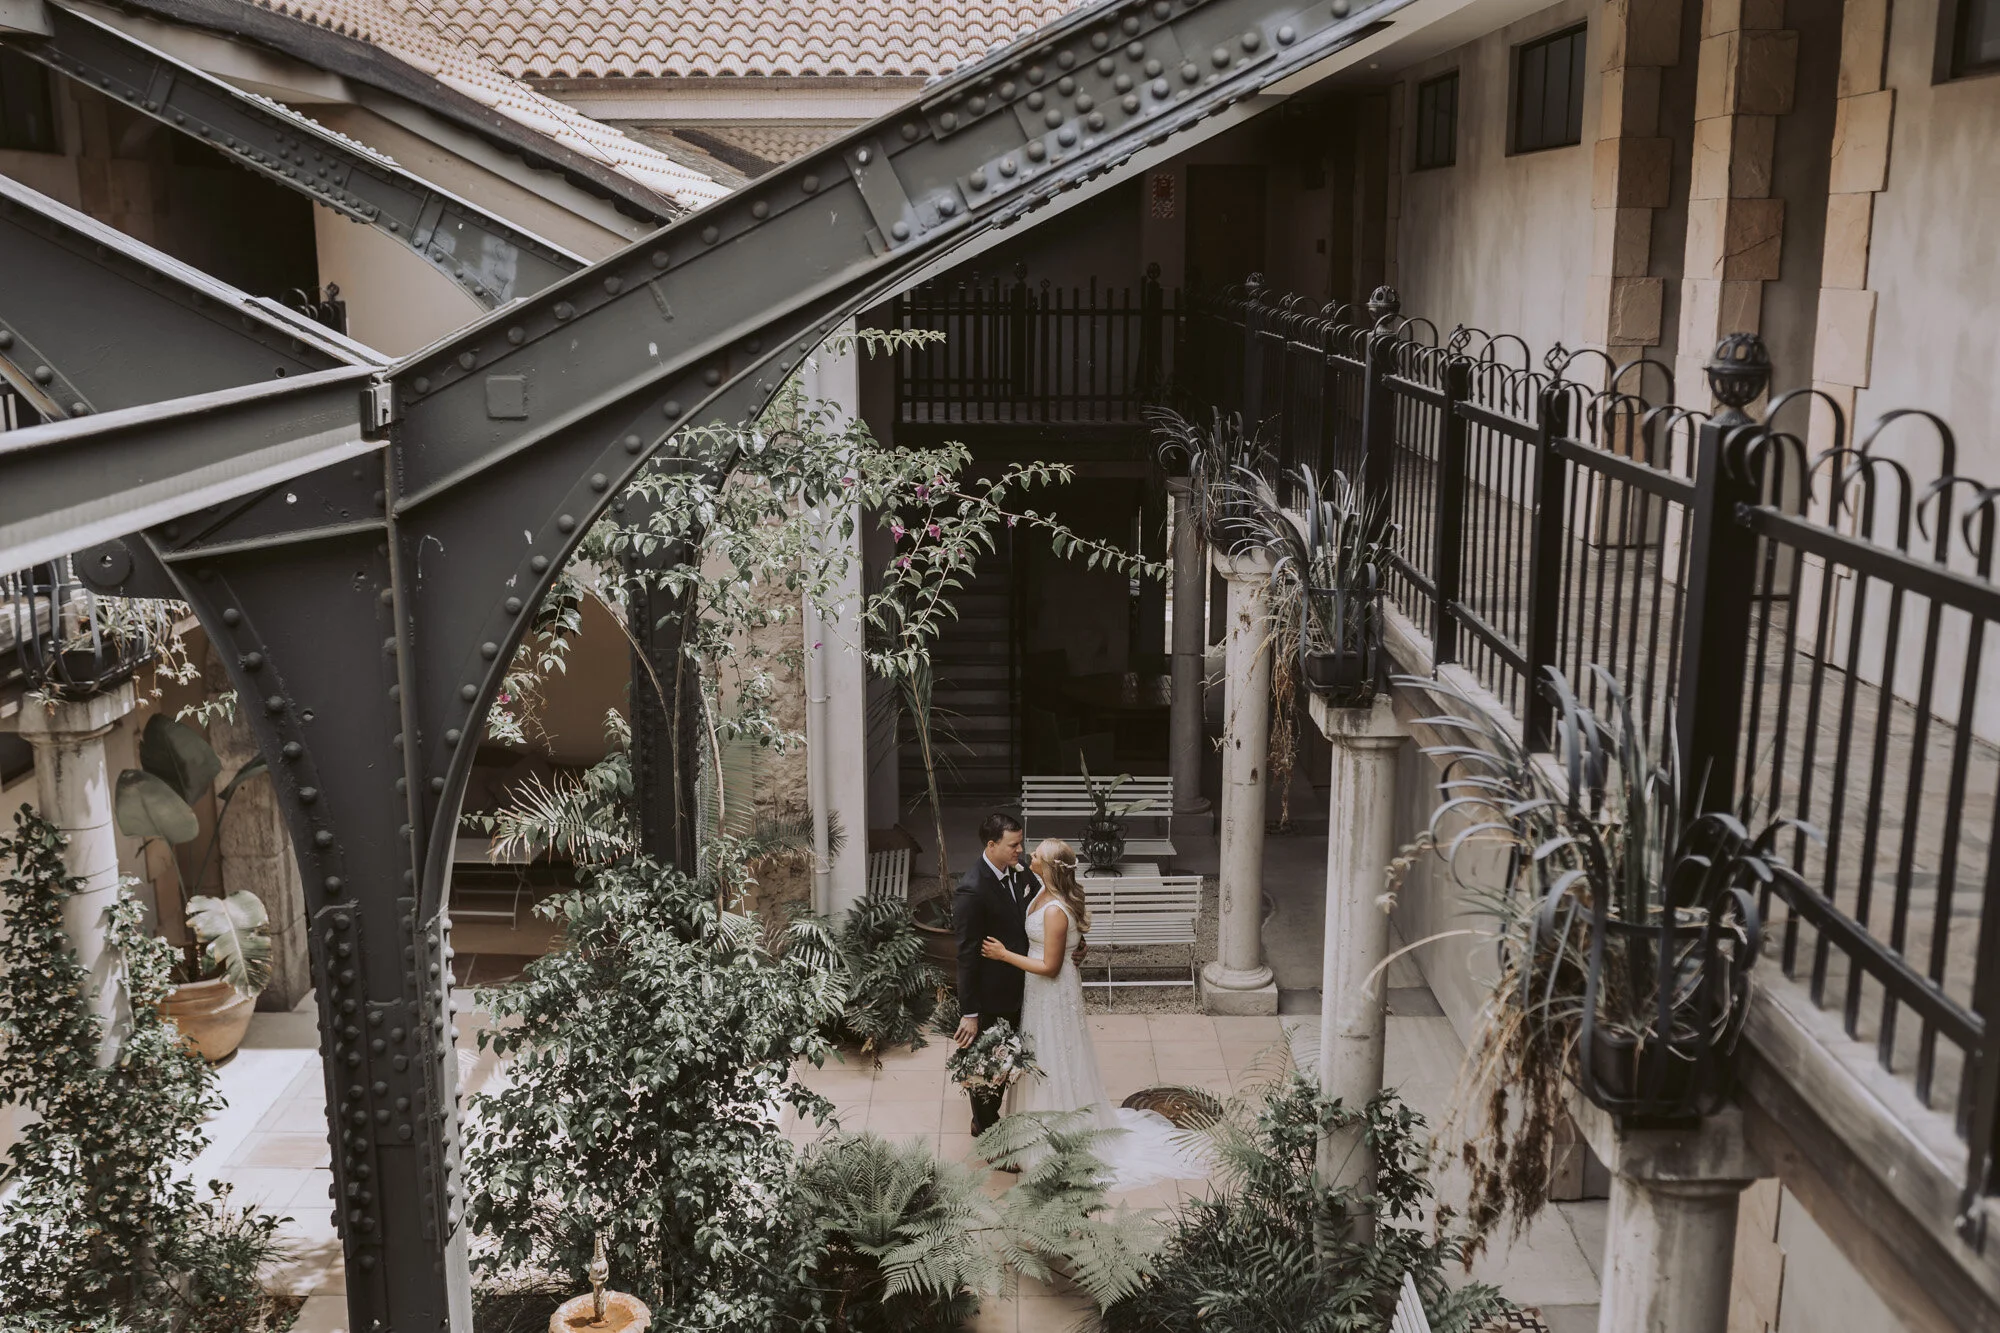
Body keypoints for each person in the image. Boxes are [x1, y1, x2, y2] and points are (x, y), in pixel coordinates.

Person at [980, 838, 1208, 1187]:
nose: (1030, 855)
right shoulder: (1039, 889)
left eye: (1037, 854)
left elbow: (1051, 967)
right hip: (1039, 993)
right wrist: (1077, 945)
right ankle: (1032, 1134)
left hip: (1052, 991)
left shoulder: (1055, 910)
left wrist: (1004, 955)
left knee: (1054, 1056)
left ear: (1050, 867)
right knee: (1040, 1054)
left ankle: (1057, 1141)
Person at [953, 812, 1035, 1136]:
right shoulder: (971, 890)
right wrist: (970, 1013)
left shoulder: (1020, 870)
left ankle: (986, 1121)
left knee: (1008, 1063)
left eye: (1020, 843)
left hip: (1022, 985)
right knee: (988, 1069)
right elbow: (966, 954)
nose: (1020, 850)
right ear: (991, 845)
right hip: (992, 995)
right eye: (1013, 845)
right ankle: (988, 1133)